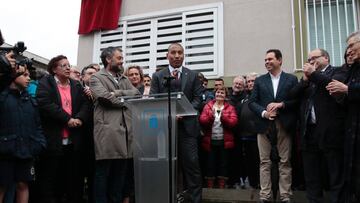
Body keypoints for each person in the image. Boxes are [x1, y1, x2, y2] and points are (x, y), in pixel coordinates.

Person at [289, 48, 346, 203]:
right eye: (309, 59)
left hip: (330, 131)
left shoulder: (337, 71)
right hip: (309, 131)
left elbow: (332, 86)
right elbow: (292, 94)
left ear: (326, 58)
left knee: (335, 172)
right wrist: (304, 81)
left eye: (315, 58)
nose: (311, 61)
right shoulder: (308, 79)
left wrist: (313, 75)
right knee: (311, 174)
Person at [150, 43, 203, 203]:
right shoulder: (158, 76)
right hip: (164, 130)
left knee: (192, 166)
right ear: (167, 55)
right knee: (165, 167)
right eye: (173, 52)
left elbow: (198, 99)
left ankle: (195, 199)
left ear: (184, 55)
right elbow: (154, 99)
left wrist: (183, 112)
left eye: (180, 52)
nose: (177, 55)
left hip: (188, 130)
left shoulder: (192, 75)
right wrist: (171, 114)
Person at [36, 55, 91, 203]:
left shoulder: (76, 85)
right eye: (63, 65)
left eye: (68, 65)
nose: (68, 68)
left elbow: (86, 104)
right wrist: (68, 119)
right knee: (51, 179)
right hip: (54, 139)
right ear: (54, 69)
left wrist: (79, 118)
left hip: (73, 141)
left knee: (73, 179)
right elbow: (46, 104)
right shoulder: (45, 83)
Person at [89, 47, 140, 203]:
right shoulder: (96, 78)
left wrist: (117, 93)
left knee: (119, 176)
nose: (122, 60)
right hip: (107, 133)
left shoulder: (124, 79)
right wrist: (125, 100)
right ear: (108, 59)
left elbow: (136, 95)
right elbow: (104, 98)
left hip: (125, 134)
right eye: (119, 58)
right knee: (102, 175)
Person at [249, 49, 298, 203]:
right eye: (265, 60)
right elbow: (252, 102)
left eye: (270, 59)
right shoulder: (260, 80)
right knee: (264, 162)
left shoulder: (291, 79)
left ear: (280, 60)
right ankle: (265, 196)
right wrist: (264, 113)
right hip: (263, 125)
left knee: (285, 161)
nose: (267, 62)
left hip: (284, 124)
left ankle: (285, 196)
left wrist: (281, 105)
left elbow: (296, 101)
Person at [0, 63, 46, 203]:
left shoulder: (30, 100)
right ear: (13, 77)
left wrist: (39, 143)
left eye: (29, 75)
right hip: (5, 151)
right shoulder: (2, 98)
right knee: (2, 186)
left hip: (26, 150)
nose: (29, 79)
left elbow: (37, 125)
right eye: (24, 75)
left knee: (23, 185)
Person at [326, 31, 360, 202]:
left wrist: (347, 90)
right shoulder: (353, 69)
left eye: (352, 45)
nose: (349, 50)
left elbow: (350, 90)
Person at [199, 86, 238, 188]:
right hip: (210, 141)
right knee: (210, 164)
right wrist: (211, 116)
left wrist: (223, 117)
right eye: (218, 92)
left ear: (225, 96)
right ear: (214, 94)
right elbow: (202, 120)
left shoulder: (230, 108)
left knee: (223, 164)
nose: (219, 94)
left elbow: (233, 123)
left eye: (222, 93)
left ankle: (221, 186)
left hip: (224, 141)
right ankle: (210, 186)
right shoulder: (208, 106)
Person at [237, 73, 260, 189]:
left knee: (260, 162)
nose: (251, 83)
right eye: (249, 81)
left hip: (259, 136)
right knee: (249, 162)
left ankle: (261, 185)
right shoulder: (244, 98)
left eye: (253, 81)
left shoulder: (262, 95)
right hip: (245, 136)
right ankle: (252, 184)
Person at [227, 75, 247, 188]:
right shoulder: (227, 98)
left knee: (243, 159)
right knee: (231, 159)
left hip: (243, 133)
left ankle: (243, 180)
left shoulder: (247, 97)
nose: (237, 85)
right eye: (236, 83)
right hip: (230, 134)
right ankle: (232, 181)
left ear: (243, 86)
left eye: (240, 84)